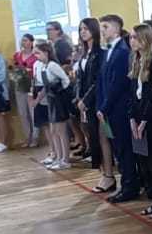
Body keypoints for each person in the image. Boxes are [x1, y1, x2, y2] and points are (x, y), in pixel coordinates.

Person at [97, 14, 138, 199]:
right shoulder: (108, 50)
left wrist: (105, 107)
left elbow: (118, 84)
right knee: (118, 149)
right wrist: (101, 106)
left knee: (124, 149)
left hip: (119, 108)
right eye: (101, 27)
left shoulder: (122, 51)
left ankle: (129, 187)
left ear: (116, 29)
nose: (102, 31)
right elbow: (103, 82)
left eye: (105, 27)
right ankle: (124, 184)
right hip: (109, 109)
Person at [127, 23, 152, 210]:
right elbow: (132, 94)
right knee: (144, 163)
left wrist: (144, 120)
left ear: (145, 39)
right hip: (138, 118)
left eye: (135, 37)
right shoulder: (136, 61)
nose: (132, 41)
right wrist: (132, 118)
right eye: (130, 37)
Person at [74, 17, 108, 177]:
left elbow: (97, 80)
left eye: (86, 29)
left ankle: (108, 173)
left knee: (102, 138)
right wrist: (78, 98)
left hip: (96, 101)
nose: (83, 32)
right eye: (81, 29)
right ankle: (102, 172)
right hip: (85, 102)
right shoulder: (84, 54)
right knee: (92, 137)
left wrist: (86, 100)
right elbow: (80, 79)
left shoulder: (100, 52)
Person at [35, 41, 72, 170]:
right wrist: (38, 99)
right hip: (51, 100)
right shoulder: (43, 67)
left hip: (58, 100)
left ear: (46, 52)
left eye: (38, 53)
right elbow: (45, 87)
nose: (36, 56)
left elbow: (66, 80)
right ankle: (58, 157)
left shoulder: (52, 65)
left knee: (61, 131)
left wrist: (60, 91)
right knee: (54, 130)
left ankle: (65, 159)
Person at [12, 34, 39, 148]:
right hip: (19, 84)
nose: (24, 43)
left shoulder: (35, 56)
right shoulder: (17, 55)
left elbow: (36, 70)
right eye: (22, 40)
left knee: (32, 112)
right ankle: (27, 137)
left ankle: (35, 138)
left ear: (31, 42)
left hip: (31, 84)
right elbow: (14, 68)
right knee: (22, 113)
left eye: (26, 40)